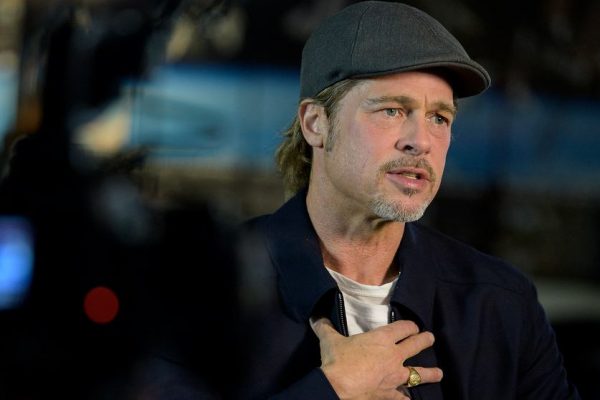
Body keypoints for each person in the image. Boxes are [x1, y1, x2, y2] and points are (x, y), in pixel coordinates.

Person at [238, 1, 581, 399]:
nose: (421, 141)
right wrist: (333, 390)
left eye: (439, 118)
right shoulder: (204, 284)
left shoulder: (500, 303)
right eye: (392, 110)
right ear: (316, 123)